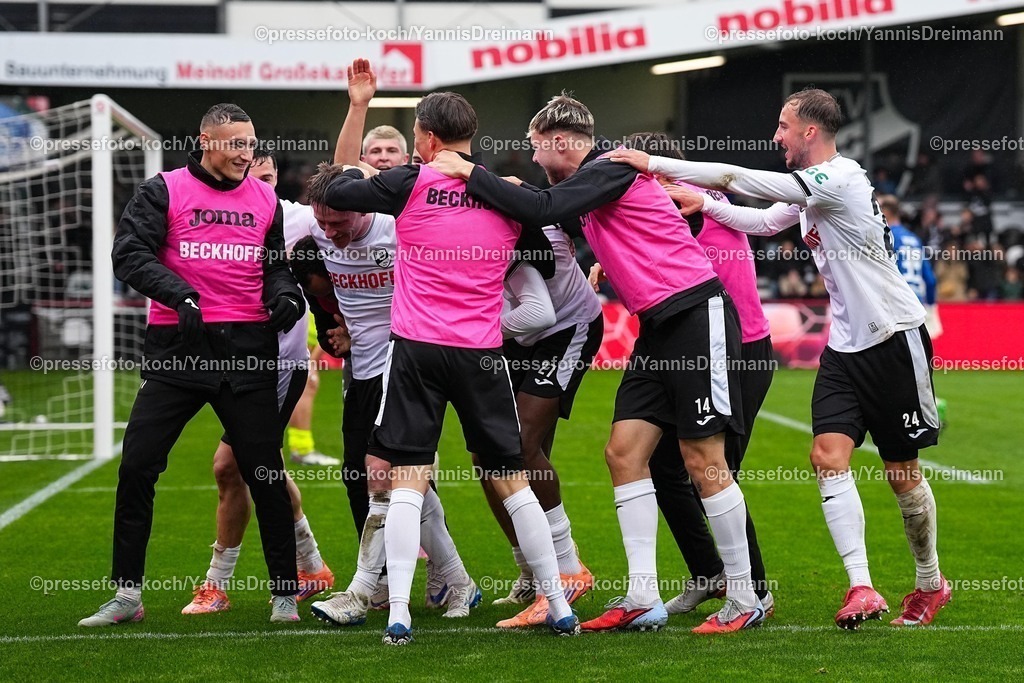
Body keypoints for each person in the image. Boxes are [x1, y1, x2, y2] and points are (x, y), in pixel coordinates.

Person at [610, 88, 950, 628]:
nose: (776, 136)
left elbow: (735, 177)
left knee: (902, 472)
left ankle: (930, 580)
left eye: (783, 126)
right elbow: (766, 222)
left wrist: (654, 164)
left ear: (809, 132)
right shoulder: (810, 193)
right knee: (826, 456)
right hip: (844, 347)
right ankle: (861, 587)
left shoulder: (837, 179)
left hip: (894, 335)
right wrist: (708, 205)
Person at [430, 93, 762, 635]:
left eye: (538, 149)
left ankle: (746, 596)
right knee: (623, 453)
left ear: (561, 141)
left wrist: (471, 172)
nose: (536, 159)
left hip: (696, 316)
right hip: (658, 326)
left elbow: (543, 210)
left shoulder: (608, 165)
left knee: (702, 457)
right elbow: (547, 207)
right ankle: (641, 595)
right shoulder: (592, 183)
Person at [315, 89, 579, 644]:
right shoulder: (508, 194)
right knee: (512, 478)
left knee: (406, 479)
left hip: (414, 351)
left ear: (428, 138)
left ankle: (399, 615)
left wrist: (371, 149)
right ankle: (558, 604)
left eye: (414, 134)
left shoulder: (410, 183)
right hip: (481, 353)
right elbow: (548, 240)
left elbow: (337, 188)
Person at [80, 103, 305, 627]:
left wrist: (286, 295)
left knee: (265, 472)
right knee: (137, 464)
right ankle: (127, 597)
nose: (246, 154)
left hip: (249, 351)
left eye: (251, 144)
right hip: (178, 350)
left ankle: (284, 595)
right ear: (206, 142)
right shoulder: (163, 189)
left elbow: (277, 267)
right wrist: (180, 294)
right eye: (235, 144)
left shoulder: (266, 197)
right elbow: (129, 253)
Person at [611, 132, 777, 619]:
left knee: (714, 471)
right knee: (664, 467)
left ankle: (756, 590)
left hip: (737, 350)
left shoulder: (692, 206)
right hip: (698, 349)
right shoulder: (696, 203)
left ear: (658, 175)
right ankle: (710, 573)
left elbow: (676, 272)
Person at [180, 150, 335, 616]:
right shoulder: (218, 219)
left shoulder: (294, 218)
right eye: (252, 175)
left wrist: (356, 108)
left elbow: (342, 185)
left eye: (268, 176)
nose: (260, 184)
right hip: (229, 361)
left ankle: (218, 583)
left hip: (280, 367)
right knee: (251, 466)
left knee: (235, 465)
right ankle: (310, 565)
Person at [487, 222, 603, 628]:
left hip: (566, 328)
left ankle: (567, 569)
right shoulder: (468, 228)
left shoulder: (528, 220)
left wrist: (481, 327)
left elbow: (540, 312)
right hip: (521, 337)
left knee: (517, 448)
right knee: (489, 455)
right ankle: (533, 571)